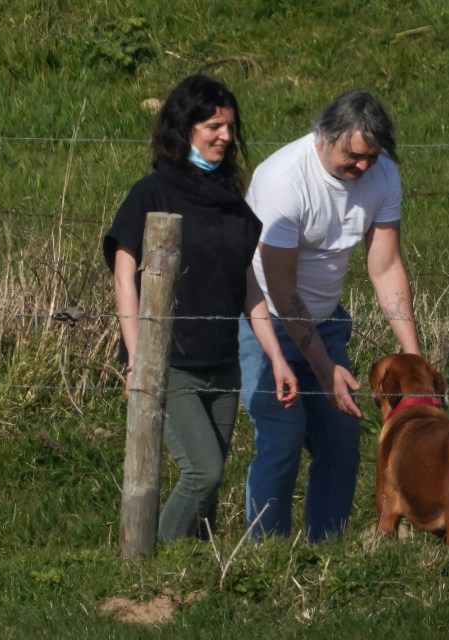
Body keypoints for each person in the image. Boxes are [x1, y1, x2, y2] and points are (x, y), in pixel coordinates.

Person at [104, 74, 297, 543]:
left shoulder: (232, 203)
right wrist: (137, 358)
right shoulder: (152, 194)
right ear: (185, 128)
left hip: (222, 363)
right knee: (202, 473)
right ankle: (150, 570)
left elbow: (248, 286)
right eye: (214, 125)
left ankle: (196, 576)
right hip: (170, 363)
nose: (225, 137)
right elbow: (124, 275)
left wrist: (275, 356)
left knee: (210, 488)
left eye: (229, 127)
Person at [238, 89, 421, 541]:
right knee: (282, 438)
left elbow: (385, 266)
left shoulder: (383, 177)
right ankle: (268, 552)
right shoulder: (283, 179)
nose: (362, 167)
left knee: (340, 437)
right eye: (353, 156)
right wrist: (323, 368)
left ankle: (328, 548)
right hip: (266, 324)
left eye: (371, 158)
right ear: (325, 135)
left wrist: (413, 358)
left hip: (326, 321)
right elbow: (279, 289)